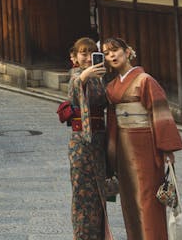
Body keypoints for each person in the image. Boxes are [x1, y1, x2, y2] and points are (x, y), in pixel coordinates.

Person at [102, 37, 182, 240]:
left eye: (115, 50)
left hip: (146, 146)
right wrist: (110, 154)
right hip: (123, 146)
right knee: (129, 202)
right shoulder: (112, 86)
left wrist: (166, 149)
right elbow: (111, 121)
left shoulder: (145, 80)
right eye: (106, 53)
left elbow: (160, 112)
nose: (111, 55)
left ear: (128, 52)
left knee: (148, 202)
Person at [66, 37, 110, 240]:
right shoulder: (76, 74)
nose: (88, 57)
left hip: (99, 140)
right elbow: (74, 92)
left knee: (98, 192)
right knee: (84, 193)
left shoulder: (99, 77)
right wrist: (84, 76)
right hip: (82, 142)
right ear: (74, 57)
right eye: (83, 53)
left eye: (92, 53)